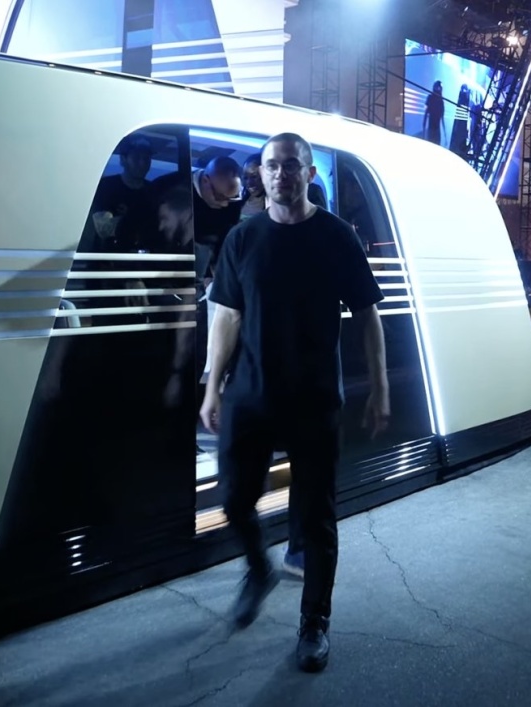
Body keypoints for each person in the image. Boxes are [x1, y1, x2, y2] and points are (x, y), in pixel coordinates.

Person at [199, 132, 389, 673]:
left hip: (313, 396)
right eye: (271, 165)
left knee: (316, 517)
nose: (280, 173)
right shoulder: (243, 237)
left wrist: (380, 387)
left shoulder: (336, 236)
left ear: (308, 173)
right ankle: (258, 569)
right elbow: (227, 314)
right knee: (234, 499)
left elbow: (367, 315)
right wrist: (212, 386)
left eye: (291, 164)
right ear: (260, 174)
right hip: (251, 391)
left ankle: (314, 624)